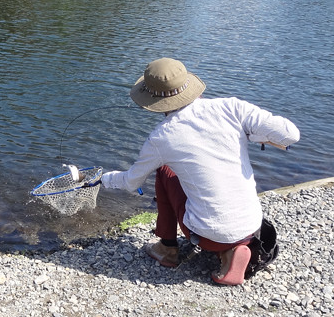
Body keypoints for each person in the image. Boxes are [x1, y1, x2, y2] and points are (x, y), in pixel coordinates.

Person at [101, 58, 300, 285]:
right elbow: (290, 135)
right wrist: (251, 134)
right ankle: (230, 252)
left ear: (153, 100)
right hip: (252, 225)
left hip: (207, 237)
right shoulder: (232, 107)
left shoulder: (160, 137)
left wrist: (104, 179)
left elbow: (129, 182)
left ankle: (167, 248)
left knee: (164, 170)